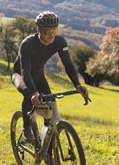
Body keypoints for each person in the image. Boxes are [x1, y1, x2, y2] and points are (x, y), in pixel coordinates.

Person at [11, 11, 88, 142]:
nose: (51, 34)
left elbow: (68, 65)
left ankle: (46, 140)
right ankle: (26, 128)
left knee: (51, 104)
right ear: (39, 30)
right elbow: (25, 71)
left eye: (54, 30)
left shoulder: (59, 42)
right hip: (20, 74)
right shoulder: (27, 44)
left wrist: (77, 85)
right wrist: (34, 92)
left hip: (39, 75)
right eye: (47, 31)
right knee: (28, 93)